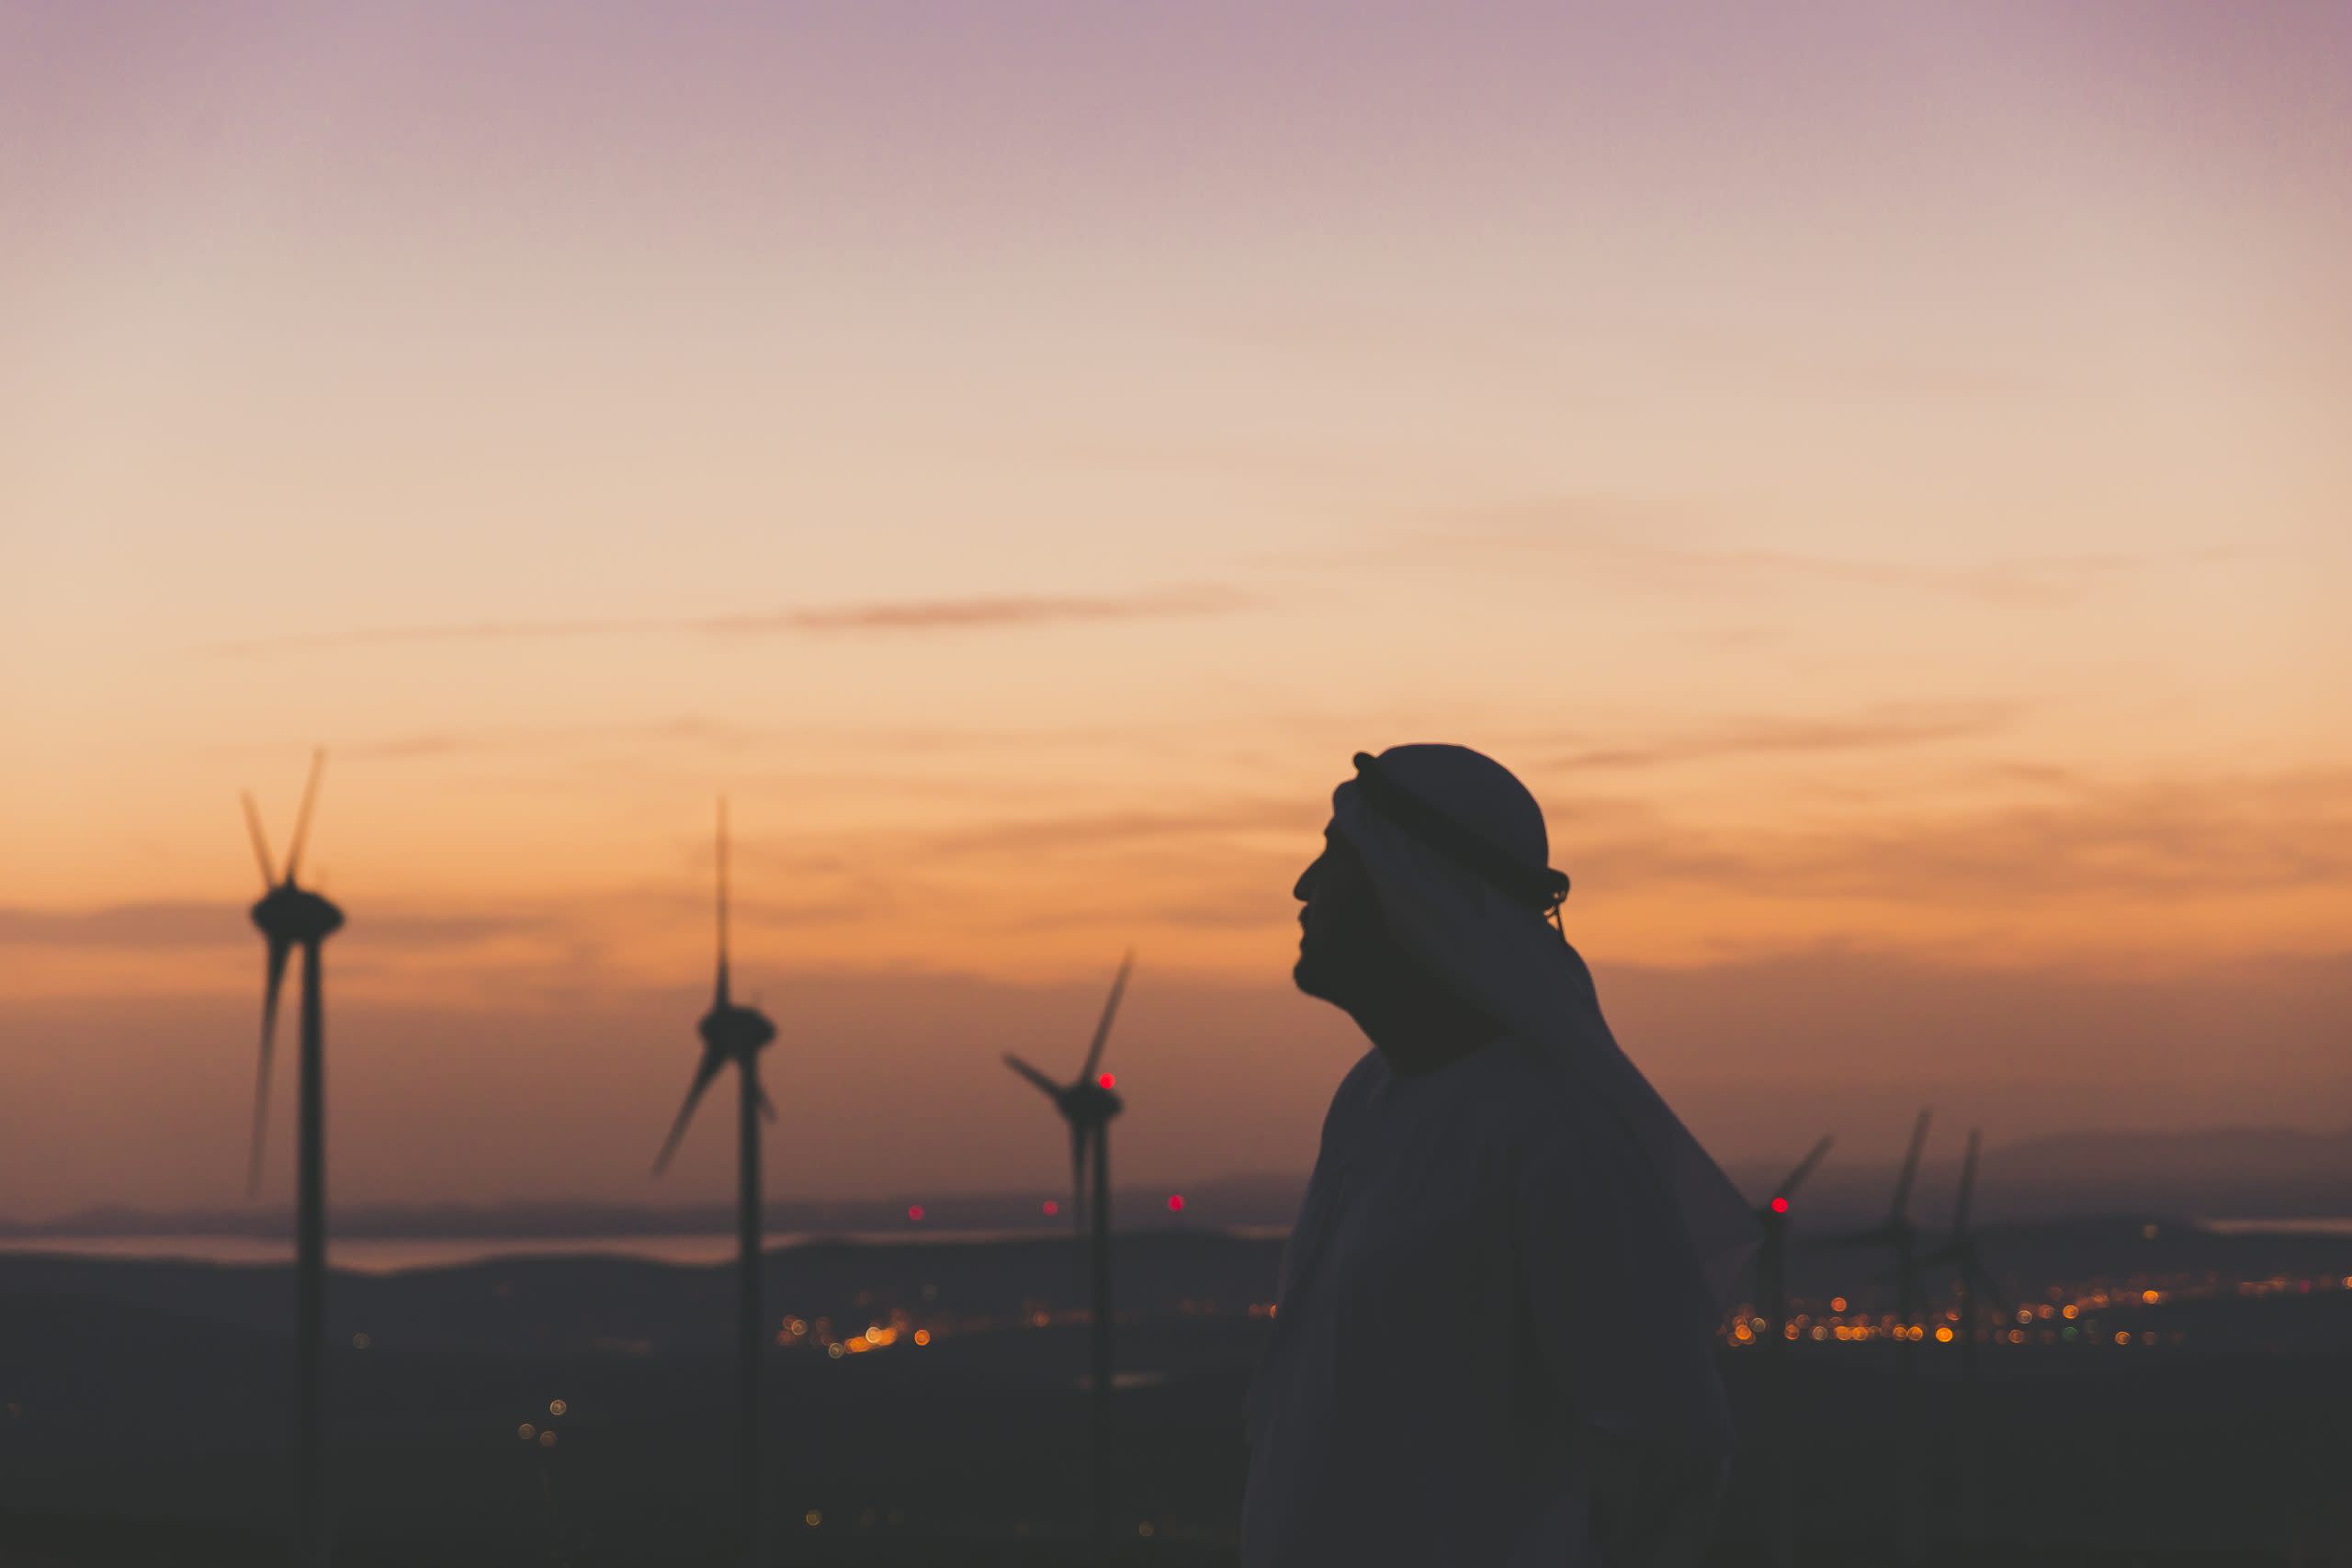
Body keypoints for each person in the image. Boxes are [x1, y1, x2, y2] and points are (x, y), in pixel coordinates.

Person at [1240, 745, 1759, 1567]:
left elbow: (1669, 1454)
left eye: (1337, 857)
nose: (1305, 886)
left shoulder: (1554, 1132)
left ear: (1408, 889)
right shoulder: (1366, 1099)